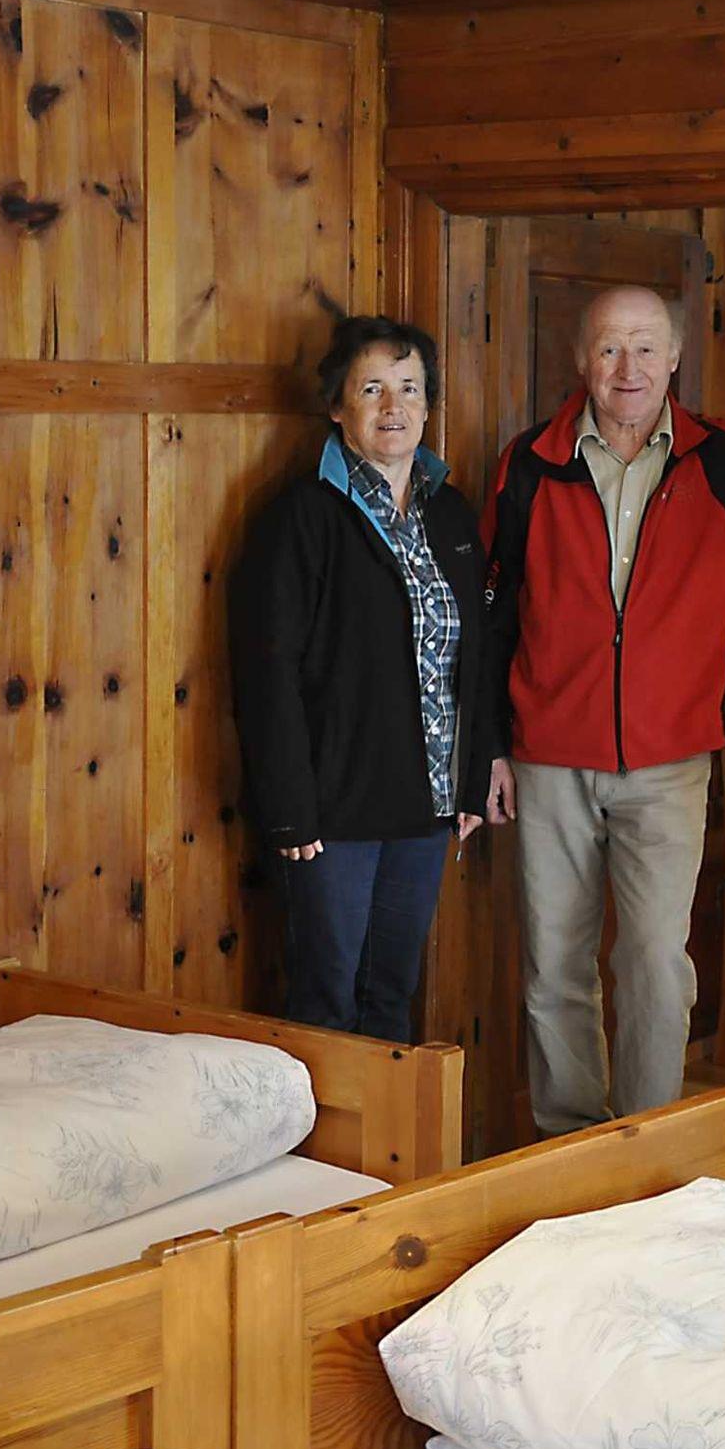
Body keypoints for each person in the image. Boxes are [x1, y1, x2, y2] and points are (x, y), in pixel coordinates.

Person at [481, 270, 725, 1133]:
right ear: (581, 358)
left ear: (676, 356)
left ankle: (648, 1152)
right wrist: (489, 747)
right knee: (554, 966)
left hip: (670, 760)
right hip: (550, 757)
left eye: (646, 347)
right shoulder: (527, 464)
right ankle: (569, 1144)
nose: (629, 368)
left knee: (654, 962)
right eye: (610, 348)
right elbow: (494, 616)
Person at [229, 316, 490, 1042]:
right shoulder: (301, 517)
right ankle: (320, 1127)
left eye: (409, 388)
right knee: (327, 1001)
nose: (393, 406)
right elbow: (267, 672)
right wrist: (289, 807)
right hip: (333, 813)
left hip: (427, 806)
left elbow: (476, 653)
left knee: (391, 996)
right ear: (337, 407)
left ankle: (385, 1129)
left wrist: (471, 779)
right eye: (371, 389)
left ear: (429, 406)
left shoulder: (450, 513)